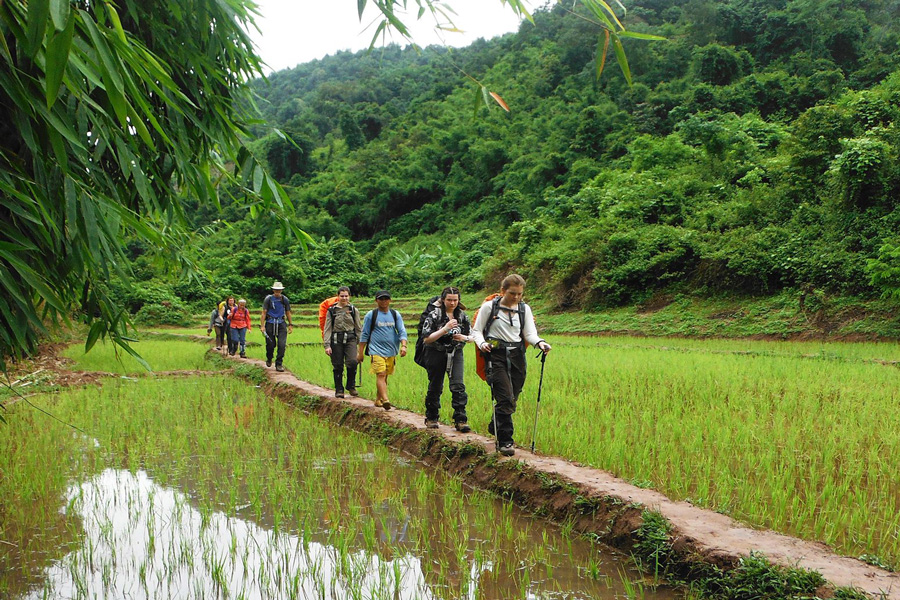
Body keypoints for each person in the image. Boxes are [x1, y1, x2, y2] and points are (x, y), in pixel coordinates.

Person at [471, 274, 551, 456]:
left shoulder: (524, 309)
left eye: (519, 294)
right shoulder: (489, 307)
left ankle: (496, 424)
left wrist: (540, 343)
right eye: (512, 293)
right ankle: (505, 441)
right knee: (505, 398)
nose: (516, 297)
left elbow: (529, 333)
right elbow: (476, 331)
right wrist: (482, 344)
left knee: (513, 397)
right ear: (502, 291)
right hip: (495, 355)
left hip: (517, 356)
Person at [420, 286, 474, 432]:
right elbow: (427, 338)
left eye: (455, 300)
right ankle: (432, 417)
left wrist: (464, 337)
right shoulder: (434, 315)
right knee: (436, 385)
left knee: (458, 385)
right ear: (443, 300)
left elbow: (472, 336)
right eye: (449, 300)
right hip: (436, 352)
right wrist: (445, 329)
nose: (452, 303)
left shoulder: (462, 316)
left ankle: (460, 419)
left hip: (456, 352)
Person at [357, 290, 407, 410]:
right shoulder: (371, 315)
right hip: (376, 350)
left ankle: (378, 399)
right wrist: (360, 352)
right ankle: (386, 400)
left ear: (390, 300)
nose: (384, 301)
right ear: (376, 300)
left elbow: (402, 331)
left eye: (386, 299)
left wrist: (404, 346)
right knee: (381, 374)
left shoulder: (395, 314)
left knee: (385, 376)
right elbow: (365, 334)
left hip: (391, 351)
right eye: (381, 299)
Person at [323, 286, 362, 398]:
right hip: (336, 339)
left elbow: (358, 328)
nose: (344, 298)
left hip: (351, 338)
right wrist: (327, 345)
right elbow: (327, 328)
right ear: (338, 296)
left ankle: (351, 385)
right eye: (342, 296)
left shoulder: (354, 310)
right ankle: (339, 389)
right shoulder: (331, 310)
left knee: (353, 362)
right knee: (338, 365)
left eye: (346, 296)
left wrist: (361, 345)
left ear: (349, 296)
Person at [260, 281, 293, 372]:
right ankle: (269, 357)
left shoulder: (284, 299)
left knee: (282, 344)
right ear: (273, 290)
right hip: (270, 323)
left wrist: (290, 324)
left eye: (279, 290)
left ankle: (279, 363)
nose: (277, 292)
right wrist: (262, 326)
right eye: (276, 290)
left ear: (281, 290)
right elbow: (264, 313)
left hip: (281, 323)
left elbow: (288, 312)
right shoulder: (268, 299)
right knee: (270, 344)